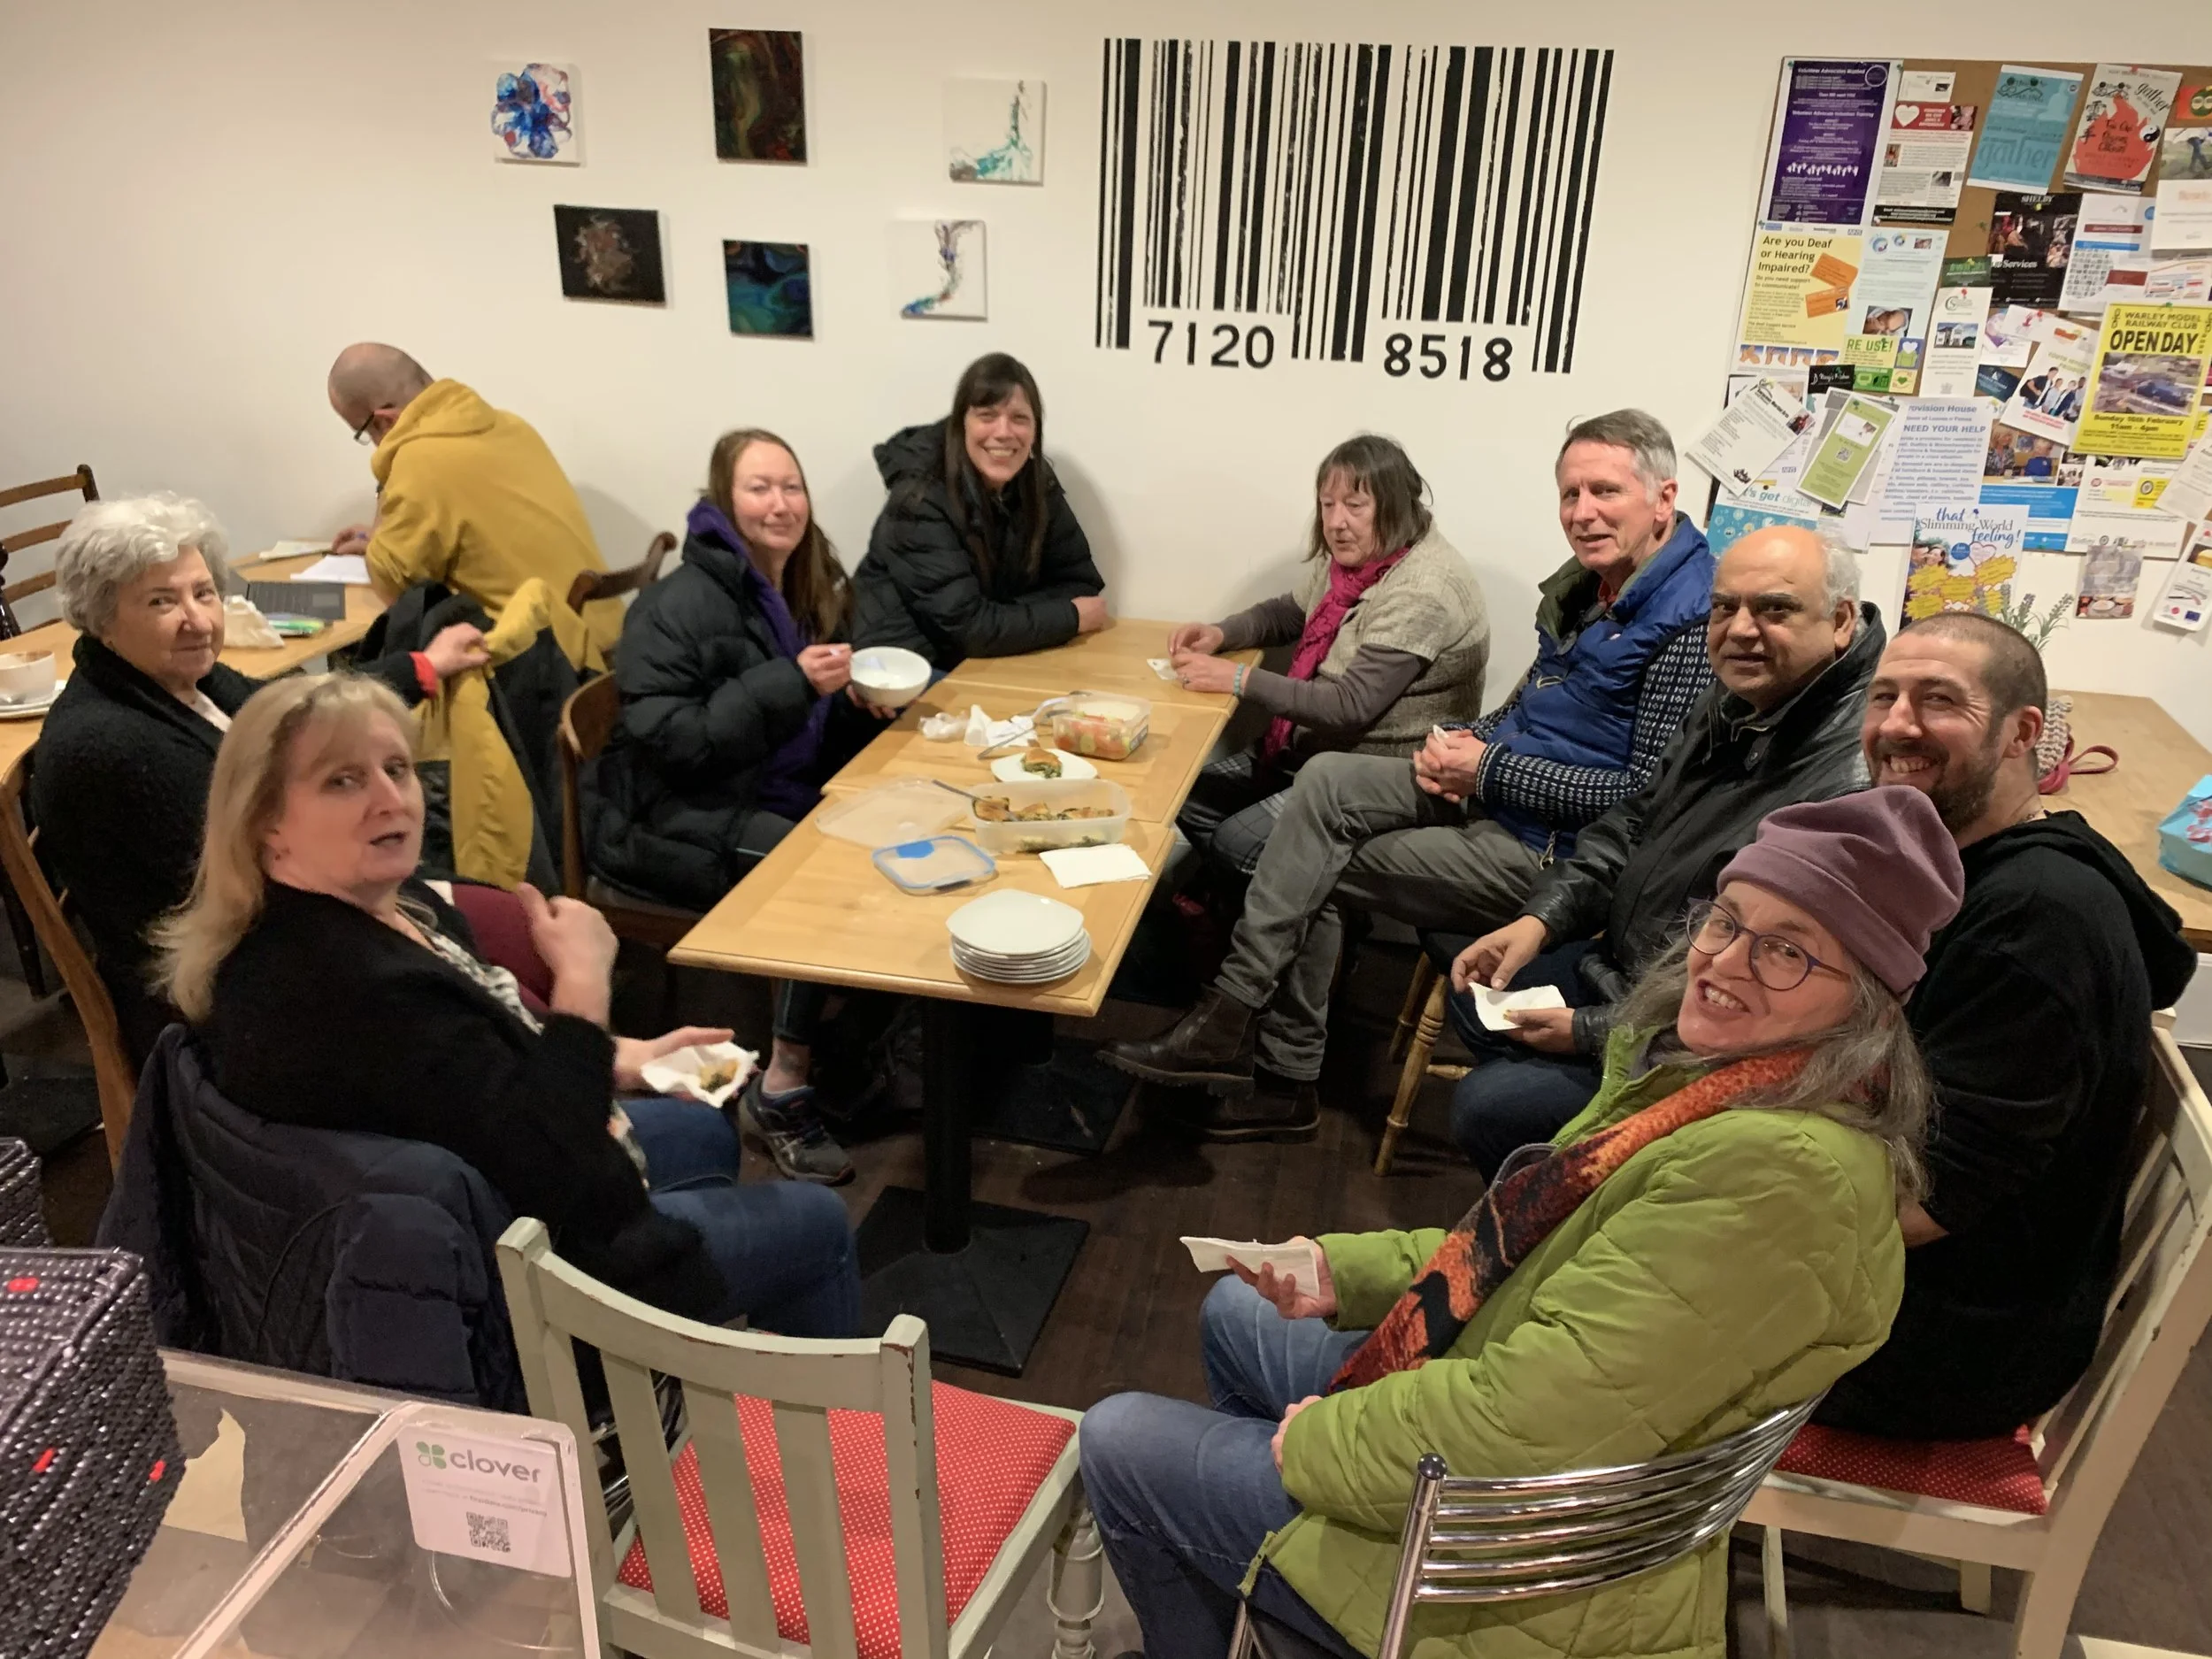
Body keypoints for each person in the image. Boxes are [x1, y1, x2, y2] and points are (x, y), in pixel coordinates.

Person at [1080, 789, 1963, 1659]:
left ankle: (1284, 1599)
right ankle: (1268, 1606)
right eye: (1726, 921)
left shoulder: (1780, 1182)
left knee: (1117, 1441)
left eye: (1785, 953)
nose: (1725, 962)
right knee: (1240, 1314)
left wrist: (1314, 1446)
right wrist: (1339, 1270)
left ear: (1869, 1010)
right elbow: (1525, 1253)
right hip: (1516, 1460)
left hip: (1510, 1571)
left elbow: (1521, 1431)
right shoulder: (1713, 1087)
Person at [157, 672, 862, 1336]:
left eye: (397, 769)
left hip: (494, 1188)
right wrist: (583, 981)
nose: (389, 799)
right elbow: (548, 1152)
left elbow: (473, 1072)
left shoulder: (356, 916)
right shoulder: (348, 989)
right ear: (265, 821)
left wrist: (624, 1059)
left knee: (703, 1132)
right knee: (819, 1221)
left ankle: (693, 1381)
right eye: (343, 780)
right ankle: (780, 1429)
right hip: (516, 1279)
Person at [1103, 411, 1716, 1140]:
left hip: (1553, 855)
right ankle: (1244, 1027)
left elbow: (1639, 799)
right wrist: (1463, 743)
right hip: (1490, 792)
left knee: (1301, 858)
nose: (1582, 513)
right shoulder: (1595, 586)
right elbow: (1525, 709)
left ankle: (1265, 1051)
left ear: (1664, 497)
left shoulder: (1693, 620)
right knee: (1325, 782)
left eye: (1604, 492)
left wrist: (1487, 769)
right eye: (1569, 494)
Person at [1816, 613, 2196, 1440]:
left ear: (2024, 732)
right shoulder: (1973, 862)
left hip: (1948, 1337)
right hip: (1929, 1276)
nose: (1898, 725)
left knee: (1599, 1286)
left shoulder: (2036, 925)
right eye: (1884, 697)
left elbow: (1922, 1205)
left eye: (1939, 700)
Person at [1442, 525, 1882, 1176]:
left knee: (1488, 1105)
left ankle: (1583, 1191)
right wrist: (1541, 920)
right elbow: (1633, 819)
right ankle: (1574, 1170)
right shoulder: (1739, 696)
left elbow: (1765, 1003)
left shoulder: (1847, 782)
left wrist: (1592, 1031)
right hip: (1628, 972)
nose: (1740, 629)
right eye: (1725, 606)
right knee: (1475, 992)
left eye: (1775, 608)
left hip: (1701, 1037)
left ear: (1841, 620)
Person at [33, 494, 488, 1068]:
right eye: (161, 601)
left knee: (500, 919)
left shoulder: (189, 680)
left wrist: (421, 667)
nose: (197, 619)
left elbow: (305, 717)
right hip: (234, 1003)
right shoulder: (108, 747)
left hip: (296, 937)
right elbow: (255, 890)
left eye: (203, 592)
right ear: (102, 618)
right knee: (486, 943)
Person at [589, 428, 866, 1186]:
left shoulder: (794, 586)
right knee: (813, 865)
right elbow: (670, 742)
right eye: (759, 488)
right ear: (723, 499)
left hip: (742, 794)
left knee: (874, 829)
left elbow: (792, 724)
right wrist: (794, 684)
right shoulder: (679, 602)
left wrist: (854, 702)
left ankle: (853, 1049)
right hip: (658, 818)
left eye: (791, 486)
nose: (780, 504)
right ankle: (781, 1086)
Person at [1168, 434, 1488, 878]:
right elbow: (1290, 611)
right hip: (1311, 748)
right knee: (1186, 799)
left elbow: (1349, 707)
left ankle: (1306, 917)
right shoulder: (1354, 559)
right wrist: (1221, 633)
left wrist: (1238, 679)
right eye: (1327, 504)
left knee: (1236, 844)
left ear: (1395, 506)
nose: (1336, 522)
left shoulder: (1423, 587)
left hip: (1386, 774)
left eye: (1355, 506)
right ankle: (1254, 911)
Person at [326, 342, 619, 672]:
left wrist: (388, 471)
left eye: (363, 433)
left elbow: (395, 587)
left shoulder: (419, 461)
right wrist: (383, 532)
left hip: (545, 665)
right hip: (608, 640)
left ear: (384, 422)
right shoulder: (510, 425)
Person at [851, 352, 1108, 669]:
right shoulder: (918, 500)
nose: (1003, 432)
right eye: (987, 415)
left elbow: (1081, 584)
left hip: (975, 660)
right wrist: (1067, 617)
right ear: (961, 425)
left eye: (1019, 418)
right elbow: (970, 629)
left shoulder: (1036, 483)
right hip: (898, 673)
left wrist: (998, 617)